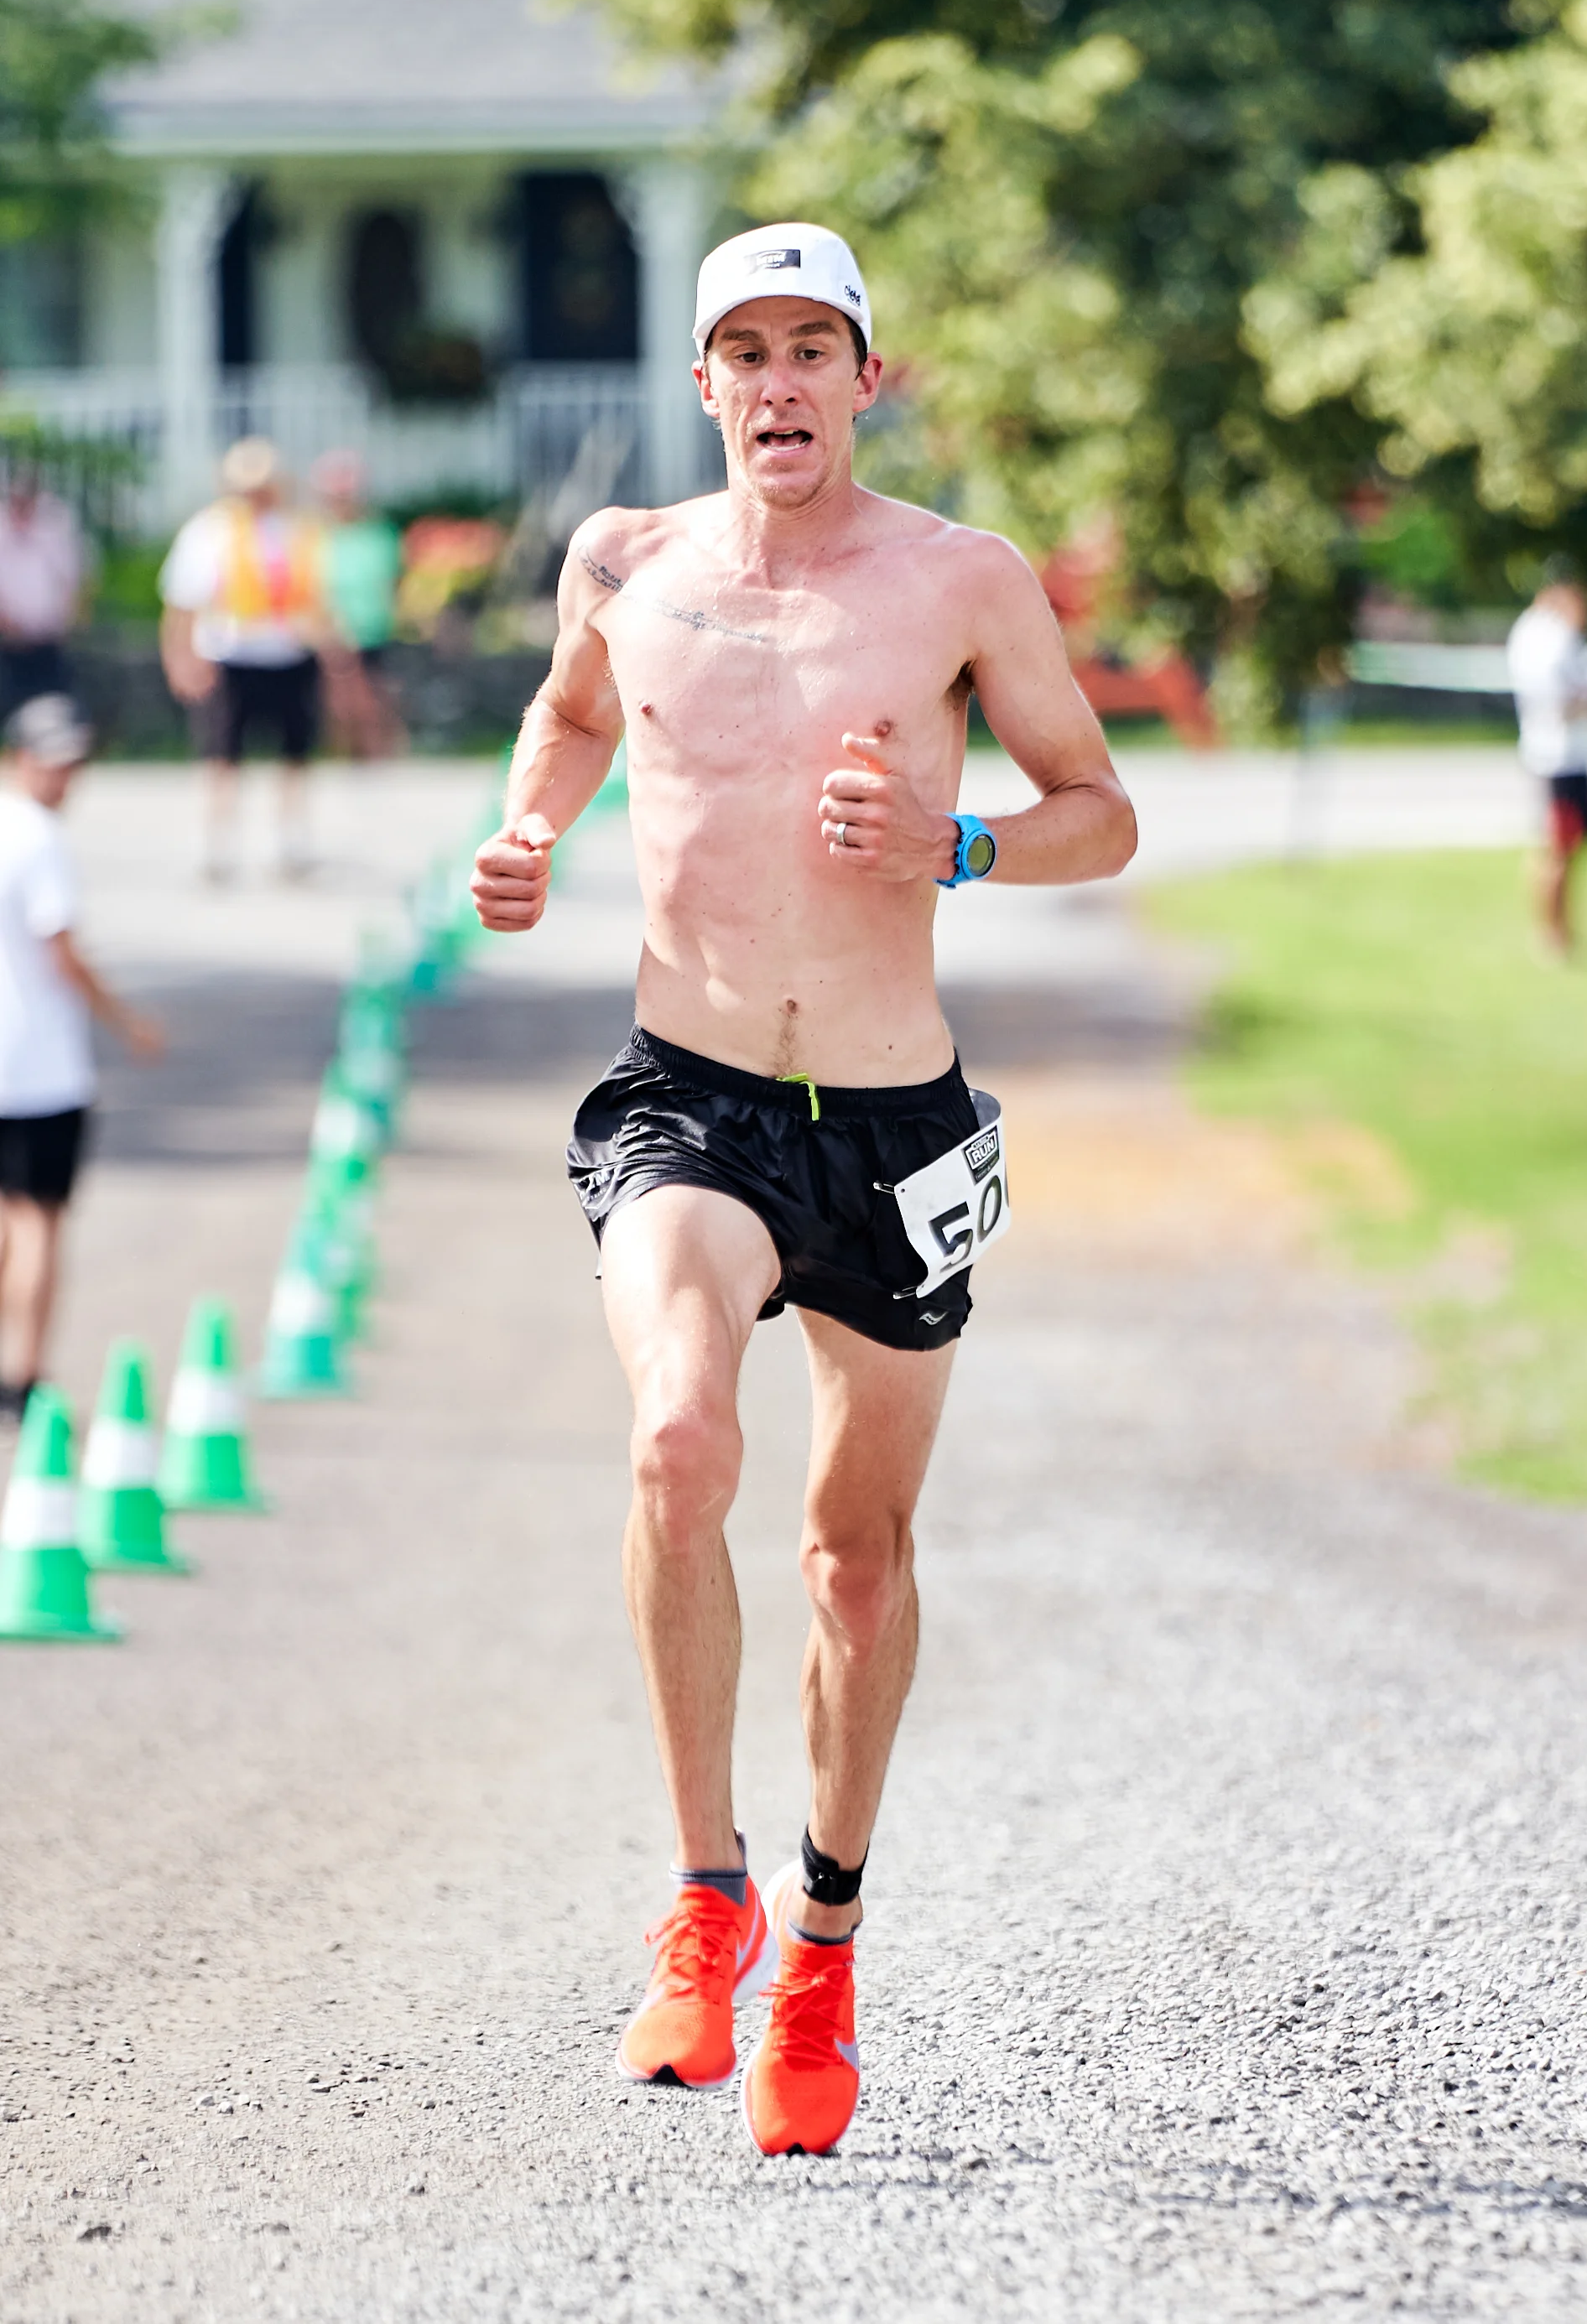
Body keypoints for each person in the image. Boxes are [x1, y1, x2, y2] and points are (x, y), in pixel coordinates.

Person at [470, 222, 1137, 2157]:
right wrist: (527, 831)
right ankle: (703, 1895)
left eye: (807, 350)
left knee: (856, 1550)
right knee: (677, 1437)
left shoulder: (958, 579)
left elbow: (1097, 807)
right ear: (702, 386)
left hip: (898, 1126)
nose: (774, 383)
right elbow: (577, 720)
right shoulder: (623, 563)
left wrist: (958, 841)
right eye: (739, 352)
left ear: (866, 375)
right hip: (688, 1095)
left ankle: (822, 1949)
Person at [0, 694, 161, 1417]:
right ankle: (24, 1374)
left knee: (9, 1220)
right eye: (55, 764)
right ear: (20, 760)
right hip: (37, 1066)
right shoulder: (37, 841)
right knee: (38, 1221)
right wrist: (125, 1021)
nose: (66, 780)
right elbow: (61, 950)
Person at [158, 437, 333, 882]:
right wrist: (181, 658)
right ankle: (217, 845)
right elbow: (182, 603)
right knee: (222, 755)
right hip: (230, 656)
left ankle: (290, 843)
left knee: (295, 754)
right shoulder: (210, 531)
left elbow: (318, 597)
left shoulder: (299, 529)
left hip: (291, 654)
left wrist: (334, 655)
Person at [1506, 562, 1587, 954]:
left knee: (1564, 849)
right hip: (1559, 758)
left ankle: (1560, 932)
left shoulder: (1546, 633)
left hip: (1567, 757)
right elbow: (1560, 701)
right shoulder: (1546, 636)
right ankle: (1552, 935)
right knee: (1557, 849)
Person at [310, 450, 405, 761]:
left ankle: (376, 753)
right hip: (330, 630)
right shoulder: (314, 536)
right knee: (337, 698)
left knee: (373, 694)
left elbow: (391, 581)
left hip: (372, 627)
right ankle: (345, 754)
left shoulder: (379, 534)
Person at [0, 465, 86, 715]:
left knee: (52, 700)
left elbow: (73, 575)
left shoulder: (54, 529)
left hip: (49, 637)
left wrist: (70, 615)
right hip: (8, 639)